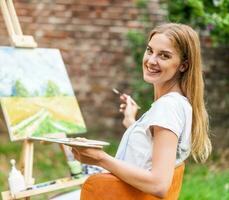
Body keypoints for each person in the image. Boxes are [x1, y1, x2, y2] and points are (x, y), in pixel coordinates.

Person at [69, 23, 212, 199]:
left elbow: (159, 184)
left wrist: (100, 158)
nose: (151, 60)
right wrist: (132, 122)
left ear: (183, 65)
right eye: (150, 50)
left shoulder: (168, 108)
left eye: (164, 56)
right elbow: (153, 150)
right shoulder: (179, 104)